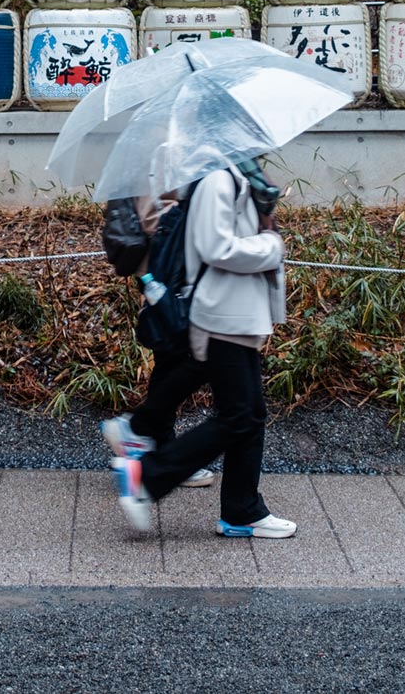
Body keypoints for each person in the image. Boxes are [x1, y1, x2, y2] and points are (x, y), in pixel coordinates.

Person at [110, 160, 295, 540]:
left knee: (249, 415)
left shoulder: (237, 177)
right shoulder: (217, 179)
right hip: (222, 315)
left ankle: (242, 511)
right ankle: (146, 478)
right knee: (238, 417)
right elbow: (216, 247)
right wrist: (270, 246)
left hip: (237, 313)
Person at [100, 187, 217, 490]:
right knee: (188, 356)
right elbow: (153, 215)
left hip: (169, 269)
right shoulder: (161, 150)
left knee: (173, 358)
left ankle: (157, 445)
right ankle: (142, 433)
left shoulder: (162, 148)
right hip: (165, 271)